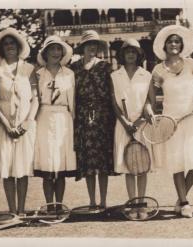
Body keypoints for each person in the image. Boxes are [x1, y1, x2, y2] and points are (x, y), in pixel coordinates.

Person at [146, 25, 193, 218]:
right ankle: (185, 202)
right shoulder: (158, 69)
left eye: (177, 41)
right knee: (178, 164)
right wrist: (150, 110)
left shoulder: (191, 64)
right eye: (171, 41)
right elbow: (150, 97)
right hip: (171, 122)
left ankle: (180, 198)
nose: (174, 44)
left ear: (182, 45)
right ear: (165, 45)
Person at [0, 27, 38, 215]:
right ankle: (12, 211)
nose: (10, 47)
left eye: (13, 44)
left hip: (25, 125)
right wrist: (7, 125)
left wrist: (27, 122)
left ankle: (22, 210)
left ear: (19, 47)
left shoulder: (30, 69)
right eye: (6, 44)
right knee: (8, 168)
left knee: (22, 168)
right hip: (4, 126)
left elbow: (36, 98)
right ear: (2, 49)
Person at [70, 30, 116, 209]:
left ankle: (103, 202)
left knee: (102, 162)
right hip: (83, 117)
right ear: (82, 48)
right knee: (89, 162)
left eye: (95, 45)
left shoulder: (105, 67)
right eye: (89, 45)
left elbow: (112, 93)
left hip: (103, 118)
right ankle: (92, 201)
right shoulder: (74, 68)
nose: (92, 48)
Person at [110, 39, 156, 219]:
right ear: (122, 55)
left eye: (134, 51)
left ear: (139, 55)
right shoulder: (115, 75)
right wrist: (125, 122)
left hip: (142, 125)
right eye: (127, 51)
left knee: (142, 167)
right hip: (123, 126)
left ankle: (142, 206)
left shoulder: (146, 75)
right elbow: (114, 103)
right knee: (129, 167)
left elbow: (150, 101)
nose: (131, 54)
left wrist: (145, 114)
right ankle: (132, 204)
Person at [33, 36, 76, 210]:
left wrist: (74, 120)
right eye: (52, 49)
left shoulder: (69, 74)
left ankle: (59, 204)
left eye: (59, 49)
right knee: (47, 165)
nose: (56, 53)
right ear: (45, 52)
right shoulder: (38, 74)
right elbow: (35, 100)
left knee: (60, 165)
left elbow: (72, 101)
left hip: (63, 119)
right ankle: (50, 205)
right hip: (44, 119)